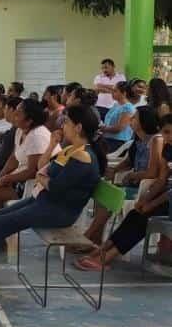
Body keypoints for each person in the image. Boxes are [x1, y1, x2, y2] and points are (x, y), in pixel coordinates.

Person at [0, 105, 105, 289]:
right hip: (45, 201)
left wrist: (43, 178)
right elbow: (44, 166)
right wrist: (51, 144)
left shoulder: (83, 156)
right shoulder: (71, 150)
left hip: (59, 211)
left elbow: (55, 186)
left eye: (66, 122)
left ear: (78, 127)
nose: (62, 126)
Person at [74, 113, 172, 272]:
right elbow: (161, 180)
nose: (166, 136)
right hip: (166, 199)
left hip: (168, 201)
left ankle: (107, 257)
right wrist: (144, 200)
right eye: (165, 132)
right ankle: (102, 249)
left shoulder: (160, 143)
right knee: (135, 213)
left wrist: (151, 203)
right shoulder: (168, 149)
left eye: (169, 132)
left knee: (143, 220)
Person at [81, 106, 164, 249]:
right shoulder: (137, 139)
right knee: (102, 195)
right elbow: (128, 161)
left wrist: (133, 175)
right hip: (133, 184)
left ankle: (87, 238)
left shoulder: (156, 140)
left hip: (144, 189)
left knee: (109, 199)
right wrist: (113, 170)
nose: (131, 120)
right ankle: (94, 240)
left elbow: (153, 173)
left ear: (144, 121)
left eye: (134, 118)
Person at [0, 98, 56, 224]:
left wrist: (6, 179)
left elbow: (32, 171)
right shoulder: (20, 130)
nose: (14, 114)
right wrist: (0, 177)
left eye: (19, 113)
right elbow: (14, 157)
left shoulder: (37, 136)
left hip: (34, 186)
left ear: (29, 120)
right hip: (21, 179)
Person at [100, 81, 134, 153]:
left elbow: (119, 128)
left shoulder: (127, 107)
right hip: (108, 139)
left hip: (118, 142)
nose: (112, 93)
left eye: (115, 91)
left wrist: (103, 128)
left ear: (124, 93)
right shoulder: (116, 105)